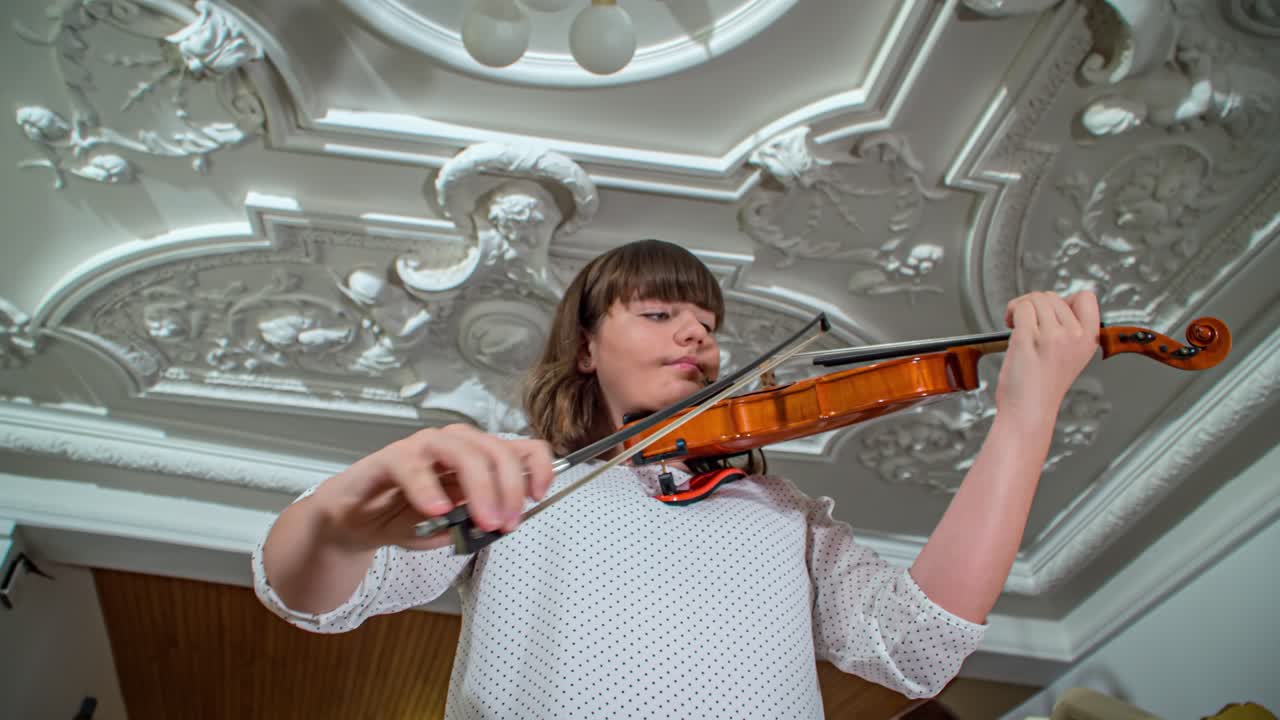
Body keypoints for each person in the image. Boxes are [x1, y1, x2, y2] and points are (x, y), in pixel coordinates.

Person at [253, 239, 1101, 718]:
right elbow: (319, 597)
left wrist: (1027, 418)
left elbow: (915, 648)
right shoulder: (524, 481)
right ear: (586, 349)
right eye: (660, 315)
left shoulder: (784, 514)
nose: (696, 337)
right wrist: (336, 522)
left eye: (707, 324)